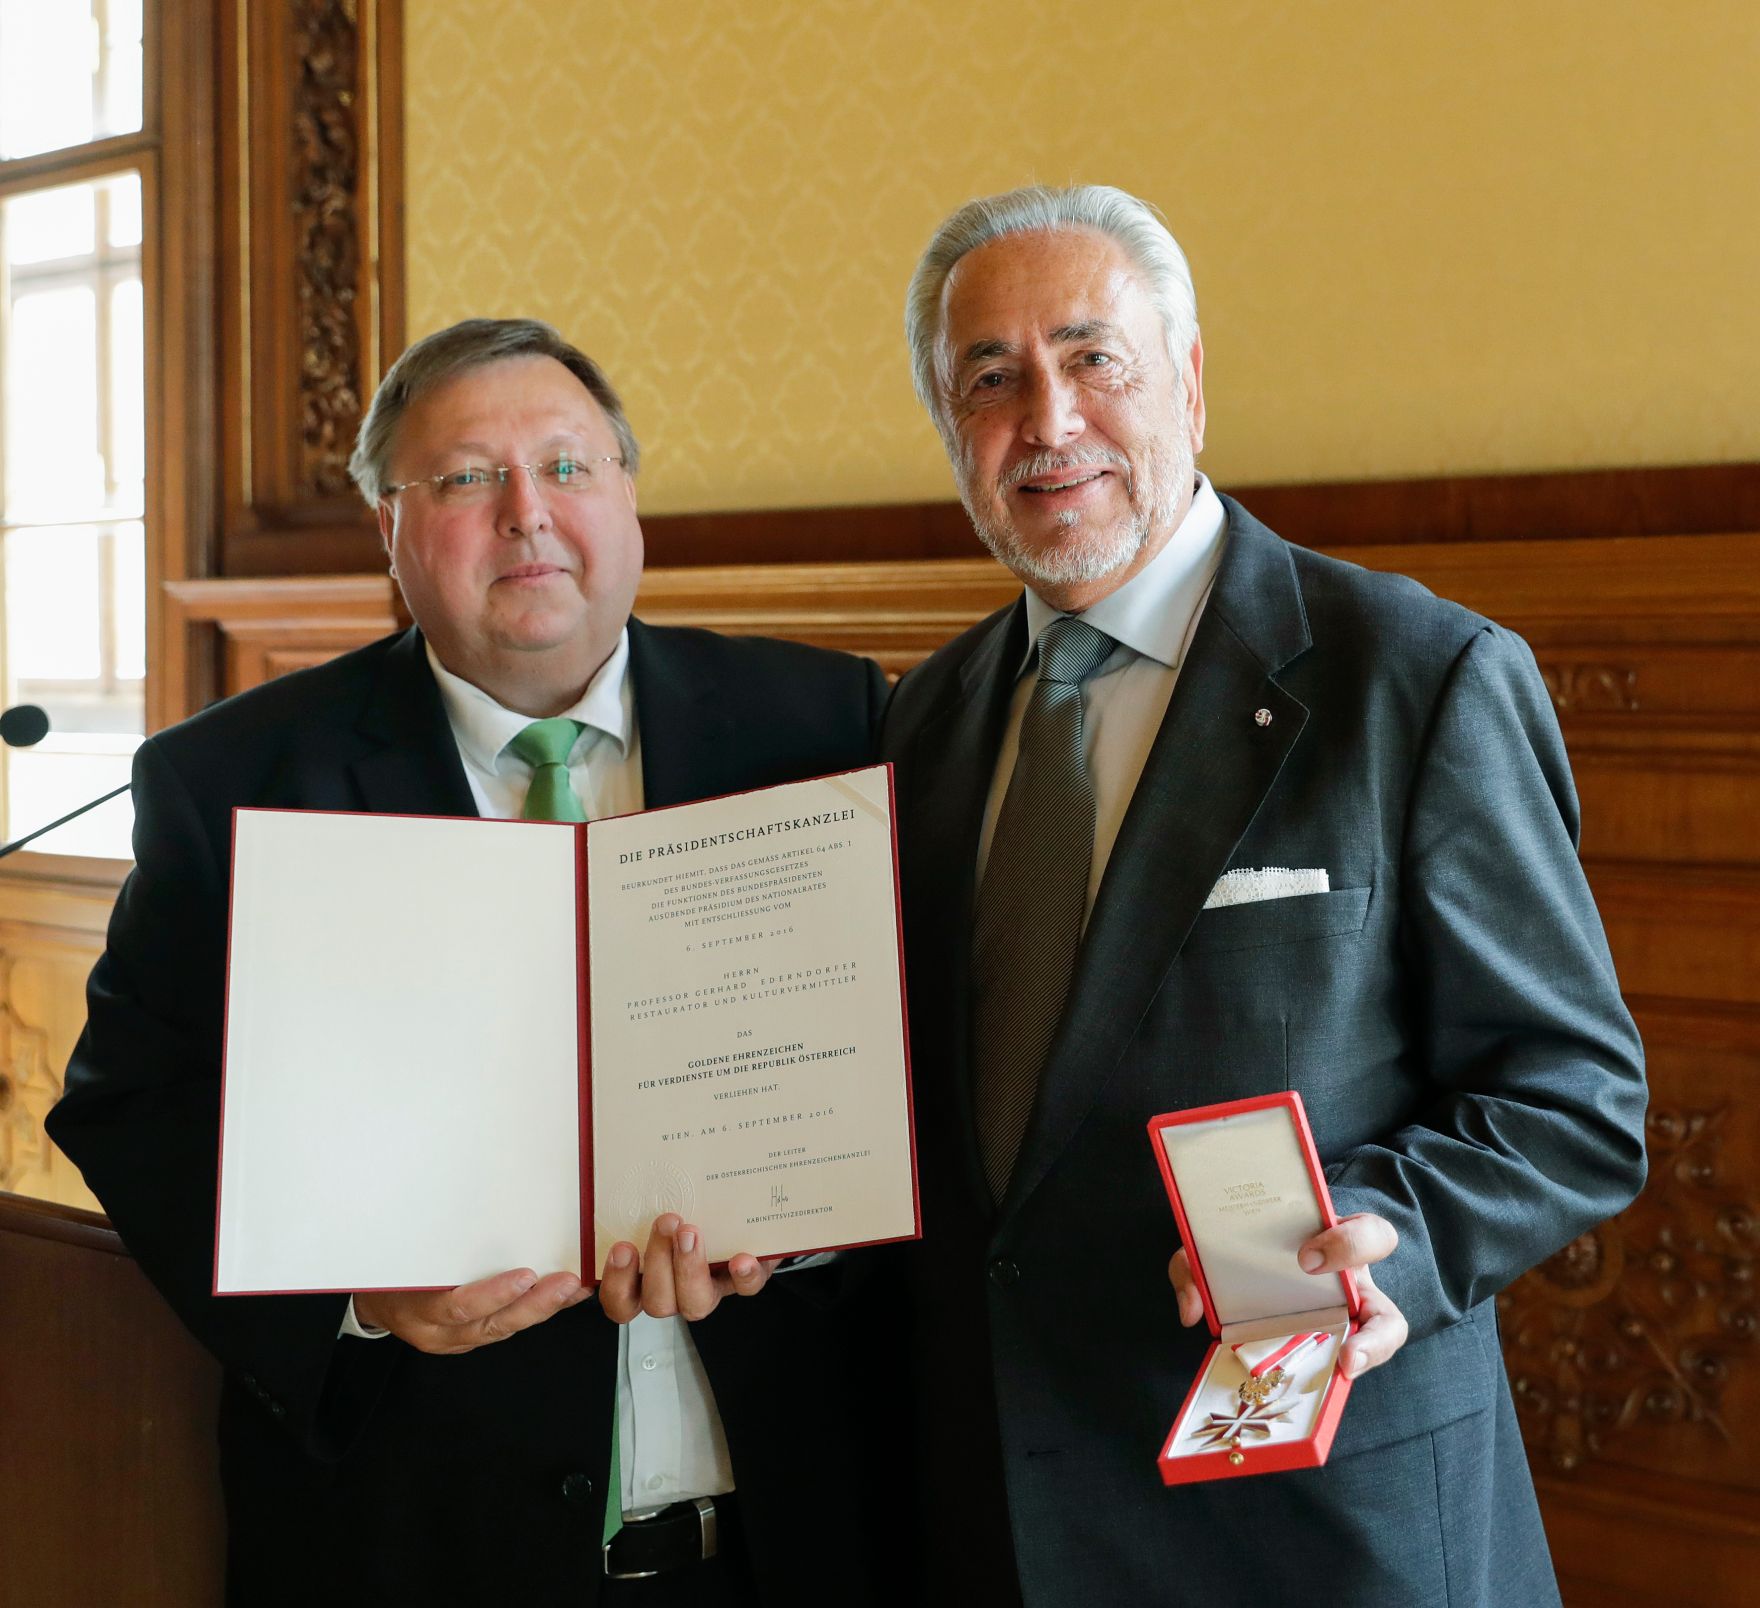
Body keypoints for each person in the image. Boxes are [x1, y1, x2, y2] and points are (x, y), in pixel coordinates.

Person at [880, 184, 1648, 1606]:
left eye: (1091, 357)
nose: (1045, 420)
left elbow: (1574, 1099)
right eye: (987, 380)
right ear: (950, 433)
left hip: (1322, 1531)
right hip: (1004, 1530)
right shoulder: (921, 726)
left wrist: (1389, 1242)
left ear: (1187, 380)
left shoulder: (1415, 677)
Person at [48, 318, 891, 1606]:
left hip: (788, 1522)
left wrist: (810, 1227)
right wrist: (357, 1296)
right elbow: (131, 1105)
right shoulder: (233, 778)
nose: (526, 516)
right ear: (390, 525)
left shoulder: (826, 724)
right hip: (419, 1534)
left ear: (628, 501)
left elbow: (932, 1051)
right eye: (465, 480)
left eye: (567, 467)